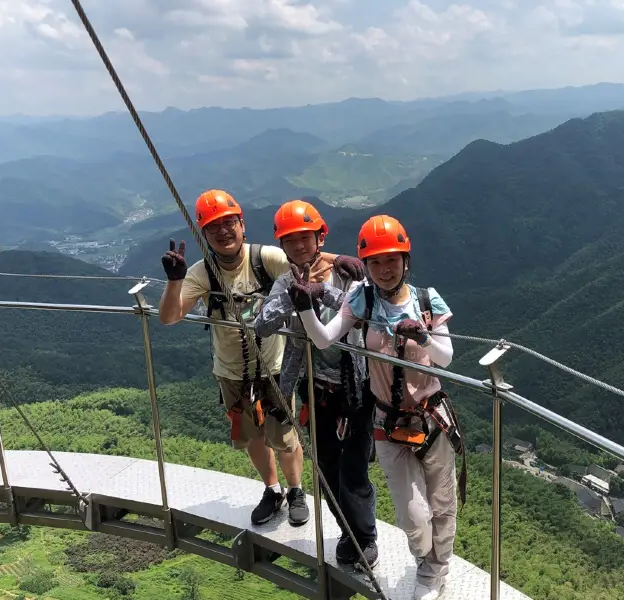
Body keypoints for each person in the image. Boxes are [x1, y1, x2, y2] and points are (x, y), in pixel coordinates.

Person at [288, 215, 465, 600]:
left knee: (442, 503)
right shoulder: (361, 300)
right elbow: (323, 340)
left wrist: (423, 336)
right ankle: (424, 560)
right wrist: (305, 309)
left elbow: (447, 357)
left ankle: (436, 571)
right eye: (376, 263)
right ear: (366, 266)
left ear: (405, 261)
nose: (385, 270)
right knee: (412, 515)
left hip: (432, 416)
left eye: (392, 260)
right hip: (386, 420)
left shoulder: (426, 301)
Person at [157, 189, 360, 527]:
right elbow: (169, 316)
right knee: (250, 435)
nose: (223, 232)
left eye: (229, 223)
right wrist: (174, 282)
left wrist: (337, 260)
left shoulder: (263, 259)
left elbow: (305, 259)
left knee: (284, 435)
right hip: (232, 371)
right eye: (213, 227)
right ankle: (272, 489)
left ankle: (296, 490)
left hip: (275, 366)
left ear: (242, 224)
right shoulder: (202, 273)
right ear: (203, 234)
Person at [253, 199, 379, 571]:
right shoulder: (284, 281)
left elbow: (363, 313)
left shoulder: (347, 271)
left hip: (354, 388)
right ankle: (346, 533)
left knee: (353, 470)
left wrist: (322, 291)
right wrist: (294, 298)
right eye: (289, 241)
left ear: (319, 238)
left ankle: (366, 538)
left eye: (304, 238)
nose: (297, 247)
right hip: (316, 390)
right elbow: (262, 324)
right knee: (326, 468)